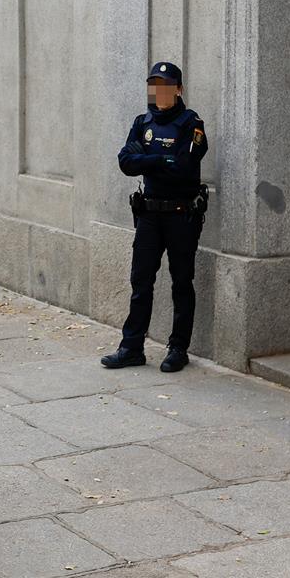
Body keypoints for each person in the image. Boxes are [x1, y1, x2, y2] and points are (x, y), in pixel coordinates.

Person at [101, 61, 208, 373]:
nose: (160, 92)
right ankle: (131, 347)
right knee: (141, 281)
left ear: (179, 89)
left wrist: (147, 158)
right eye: (155, 85)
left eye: (166, 85)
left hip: (181, 216)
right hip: (149, 215)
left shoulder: (192, 124)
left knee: (181, 282)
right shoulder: (142, 122)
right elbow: (125, 162)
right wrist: (162, 159)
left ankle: (178, 348)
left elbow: (184, 167)